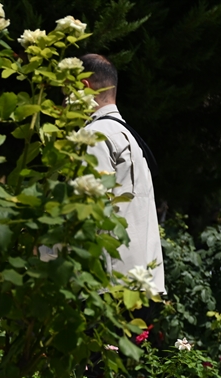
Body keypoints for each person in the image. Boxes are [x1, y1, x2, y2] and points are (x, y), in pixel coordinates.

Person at [80, 53, 164, 295]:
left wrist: (44, 253)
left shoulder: (95, 135)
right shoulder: (129, 136)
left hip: (109, 288)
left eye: (66, 91)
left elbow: (89, 211)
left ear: (83, 87)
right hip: (145, 284)